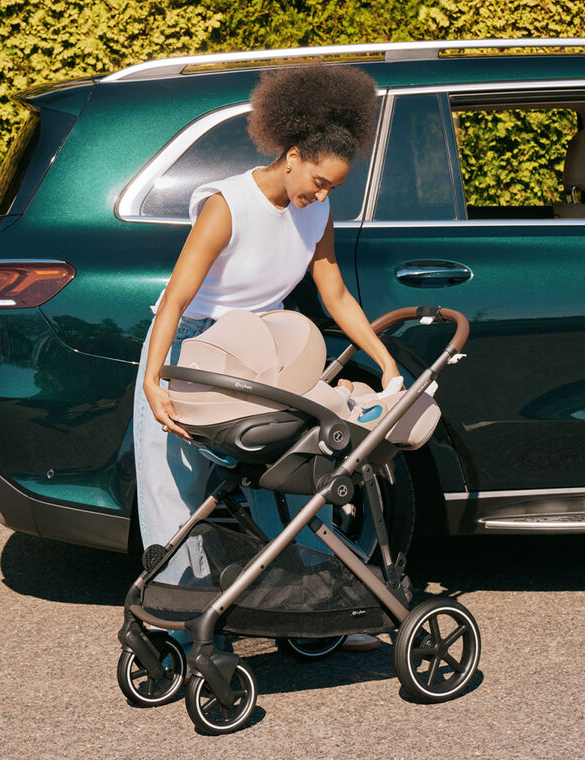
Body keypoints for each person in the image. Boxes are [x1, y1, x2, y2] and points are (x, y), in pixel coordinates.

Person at [133, 63, 398, 654]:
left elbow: (334, 292)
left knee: (287, 483)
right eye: (319, 180)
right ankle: (182, 634)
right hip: (192, 357)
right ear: (294, 153)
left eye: (333, 187)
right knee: (174, 500)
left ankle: (326, 606)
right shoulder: (228, 204)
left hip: (262, 361)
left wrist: (383, 360)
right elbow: (176, 296)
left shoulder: (317, 212)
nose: (322, 194)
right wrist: (154, 379)